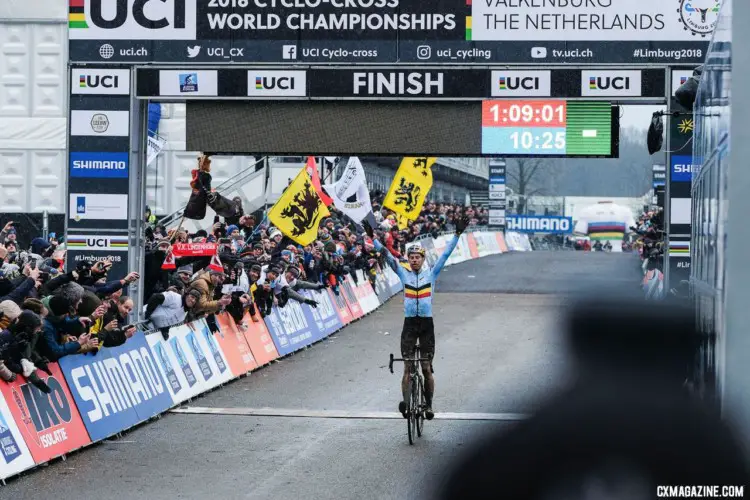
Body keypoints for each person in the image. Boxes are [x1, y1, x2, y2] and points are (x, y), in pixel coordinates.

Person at [364, 215, 470, 420]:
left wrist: (457, 234)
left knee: (426, 367)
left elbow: (446, 254)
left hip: (426, 324)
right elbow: (386, 255)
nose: (414, 260)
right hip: (410, 324)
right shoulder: (403, 274)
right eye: (411, 257)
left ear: (423, 259)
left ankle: (429, 405)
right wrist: (373, 238)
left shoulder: (431, 274)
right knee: (408, 367)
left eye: (417, 257)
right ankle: (405, 402)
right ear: (408, 259)